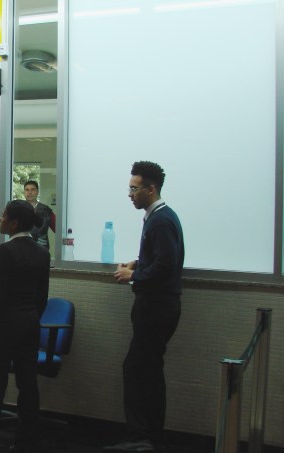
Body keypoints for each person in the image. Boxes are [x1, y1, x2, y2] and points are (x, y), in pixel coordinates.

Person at [106, 161, 184, 453]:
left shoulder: (161, 220)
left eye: (134, 189)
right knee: (147, 369)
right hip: (159, 305)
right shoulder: (159, 217)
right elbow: (161, 258)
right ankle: (149, 436)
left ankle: (140, 438)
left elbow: (167, 265)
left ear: (151, 190)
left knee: (138, 369)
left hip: (157, 306)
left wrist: (133, 275)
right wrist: (137, 263)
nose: (130, 194)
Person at [0, 200, 51, 453]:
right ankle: (28, 439)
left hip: (4, 327)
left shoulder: (6, 251)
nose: (0, 219)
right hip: (30, 324)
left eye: (4, 215)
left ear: (14, 222)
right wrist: (30, 317)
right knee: (28, 384)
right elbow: (42, 297)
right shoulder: (42, 253)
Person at [23, 180, 55, 250]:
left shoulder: (46, 210)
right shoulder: (18, 209)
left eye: (33, 189)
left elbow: (58, 229)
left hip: (41, 250)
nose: (29, 192)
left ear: (37, 192)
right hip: (22, 249)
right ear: (24, 192)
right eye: (27, 190)